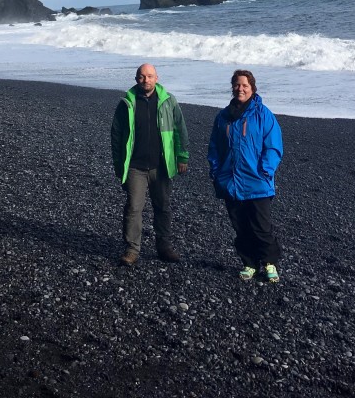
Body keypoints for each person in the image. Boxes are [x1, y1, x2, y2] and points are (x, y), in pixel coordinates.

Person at [207, 68, 283, 282]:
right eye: (237, 85)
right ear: (233, 87)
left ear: (252, 88)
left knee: (261, 226)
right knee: (240, 226)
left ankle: (269, 263)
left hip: (257, 181)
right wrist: (215, 170)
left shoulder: (263, 114)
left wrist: (265, 171)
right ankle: (249, 263)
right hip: (230, 181)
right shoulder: (223, 116)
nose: (240, 88)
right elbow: (215, 147)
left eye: (245, 85)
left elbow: (273, 145)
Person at [111, 63, 189, 266]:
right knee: (133, 208)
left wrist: (182, 157)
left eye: (150, 76)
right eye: (141, 77)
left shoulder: (168, 101)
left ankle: (164, 247)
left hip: (161, 165)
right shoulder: (127, 103)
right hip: (135, 166)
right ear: (136, 78)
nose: (146, 80)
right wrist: (119, 166)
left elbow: (180, 129)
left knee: (162, 207)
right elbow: (116, 136)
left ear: (157, 78)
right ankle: (132, 250)